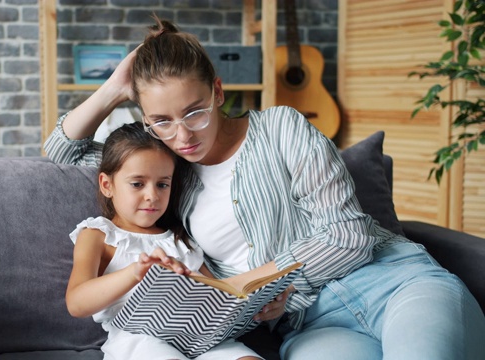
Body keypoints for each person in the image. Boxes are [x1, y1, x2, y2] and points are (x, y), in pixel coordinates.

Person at [48, 17, 485, 360]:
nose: (182, 135)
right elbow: (61, 152)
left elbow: (348, 237)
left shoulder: (281, 126)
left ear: (218, 92)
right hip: (310, 326)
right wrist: (112, 88)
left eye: (194, 111)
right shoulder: (166, 174)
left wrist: (247, 283)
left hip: (392, 281)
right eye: (161, 120)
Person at [65, 122, 264, 360]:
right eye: (137, 184)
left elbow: (217, 294)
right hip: (139, 340)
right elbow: (77, 303)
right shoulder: (99, 234)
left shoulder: (180, 239)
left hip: (199, 338)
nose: (153, 196)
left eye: (162, 184)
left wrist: (255, 302)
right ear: (107, 185)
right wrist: (136, 272)